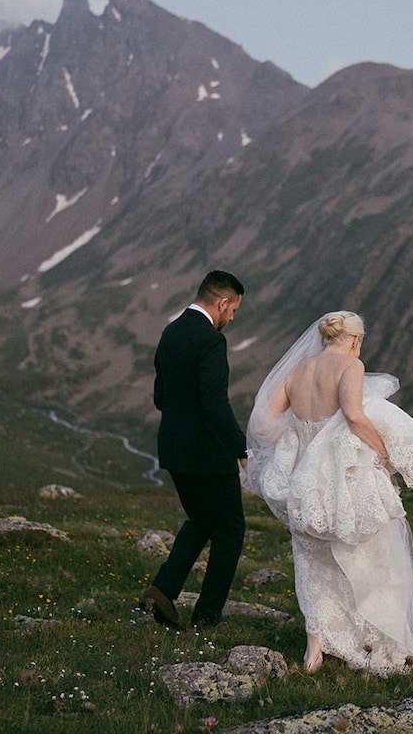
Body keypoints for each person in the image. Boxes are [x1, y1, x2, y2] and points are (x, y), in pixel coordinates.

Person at [244, 311, 413, 675]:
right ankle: (386, 644)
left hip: (303, 485)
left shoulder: (297, 370)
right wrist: (382, 451)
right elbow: (353, 415)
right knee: (376, 559)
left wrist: (299, 439)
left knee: (313, 563)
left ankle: (314, 652)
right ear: (354, 340)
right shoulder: (350, 366)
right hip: (344, 481)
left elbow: (261, 422)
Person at [140, 270, 248, 630]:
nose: (230, 319)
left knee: (201, 521)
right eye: (232, 311)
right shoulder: (210, 340)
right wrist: (239, 447)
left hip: (174, 448)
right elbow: (215, 403)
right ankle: (207, 616)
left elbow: (161, 397)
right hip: (207, 455)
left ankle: (163, 591)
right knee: (230, 530)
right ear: (221, 303)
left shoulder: (171, 331)